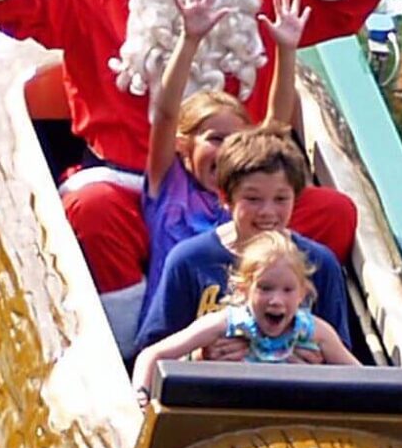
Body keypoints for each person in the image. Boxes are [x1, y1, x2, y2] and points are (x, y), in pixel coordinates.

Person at [0, 0, 385, 341]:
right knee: (93, 209)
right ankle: (127, 348)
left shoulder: (257, 0)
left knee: (331, 212)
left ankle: (287, 337)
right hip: (133, 191)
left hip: (248, 197)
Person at [142, 0, 309, 312]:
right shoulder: (169, 184)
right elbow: (164, 113)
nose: (225, 149)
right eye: (214, 139)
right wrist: (190, 40)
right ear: (183, 145)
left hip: (250, 328)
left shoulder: (246, 198)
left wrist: (287, 50)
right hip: (179, 324)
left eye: (235, 139)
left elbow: (276, 126)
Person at [134, 124, 351, 365]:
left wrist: (315, 362)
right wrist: (199, 356)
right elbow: (153, 351)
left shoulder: (318, 262)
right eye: (253, 199)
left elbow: (340, 355)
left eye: (281, 199)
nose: (268, 212)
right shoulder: (190, 260)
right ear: (226, 198)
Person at [132, 230, 359, 403]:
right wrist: (140, 398)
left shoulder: (314, 331)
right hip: (231, 410)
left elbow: (359, 375)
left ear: (302, 294)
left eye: (287, 290)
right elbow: (152, 354)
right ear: (244, 290)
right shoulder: (227, 323)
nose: (276, 300)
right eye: (265, 288)